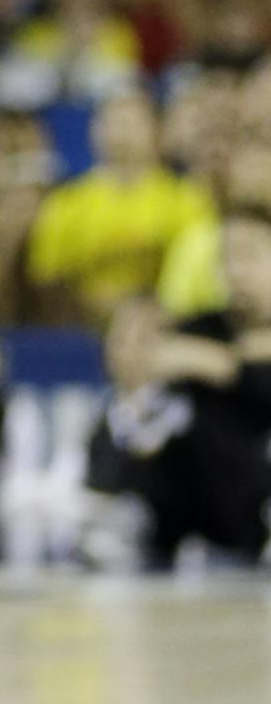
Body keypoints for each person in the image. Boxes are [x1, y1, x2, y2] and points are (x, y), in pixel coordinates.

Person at [91, 204, 271, 564]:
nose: (236, 271)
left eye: (249, 256)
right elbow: (151, 375)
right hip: (204, 525)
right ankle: (131, 524)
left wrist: (221, 365)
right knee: (168, 418)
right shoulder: (199, 329)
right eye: (227, 257)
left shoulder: (199, 346)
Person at [24, 89, 215, 325]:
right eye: (111, 121)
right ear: (94, 131)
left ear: (157, 131)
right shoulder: (66, 202)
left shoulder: (186, 198)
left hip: (162, 324)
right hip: (82, 326)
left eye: (132, 122)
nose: (122, 132)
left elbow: (194, 274)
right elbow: (47, 279)